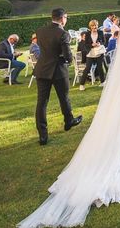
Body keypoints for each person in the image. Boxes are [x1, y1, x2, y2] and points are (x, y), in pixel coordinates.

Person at [17, 5, 120, 228]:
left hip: (52, 71)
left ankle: (45, 132)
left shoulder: (43, 32)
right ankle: (76, 121)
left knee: (41, 104)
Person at [31, 8, 82, 147]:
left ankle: (43, 135)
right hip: (58, 70)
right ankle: (68, 121)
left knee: (41, 102)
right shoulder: (63, 33)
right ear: (62, 18)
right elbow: (67, 56)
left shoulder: (40, 31)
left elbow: (46, 49)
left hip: (42, 69)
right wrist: (68, 58)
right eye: (66, 17)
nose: (66, 20)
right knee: (63, 97)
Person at [79, 20, 106, 90]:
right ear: (90, 27)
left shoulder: (100, 32)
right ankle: (82, 84)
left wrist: (100, 43)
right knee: (87, 68)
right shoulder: (87, 34)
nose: (95, 27)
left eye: (96, 25)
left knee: (100, 67)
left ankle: (103, 82)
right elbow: (85, 45)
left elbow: (104, 41)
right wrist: (91, 45)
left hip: (99, 52)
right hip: (90, 52)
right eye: (93, 26)